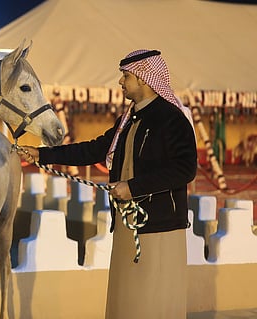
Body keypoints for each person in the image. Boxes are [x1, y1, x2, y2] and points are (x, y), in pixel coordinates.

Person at [17, 49, 197, 319]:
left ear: (145, 79)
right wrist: (43, 154)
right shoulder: (128, 119)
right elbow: (95, 150)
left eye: (126, 76)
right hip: (127, 221)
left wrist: (133, 188)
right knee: (127, 296)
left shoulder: (172, 119)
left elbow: (184, 169)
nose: (121, 82)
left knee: (154, 298)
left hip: (159, 225)